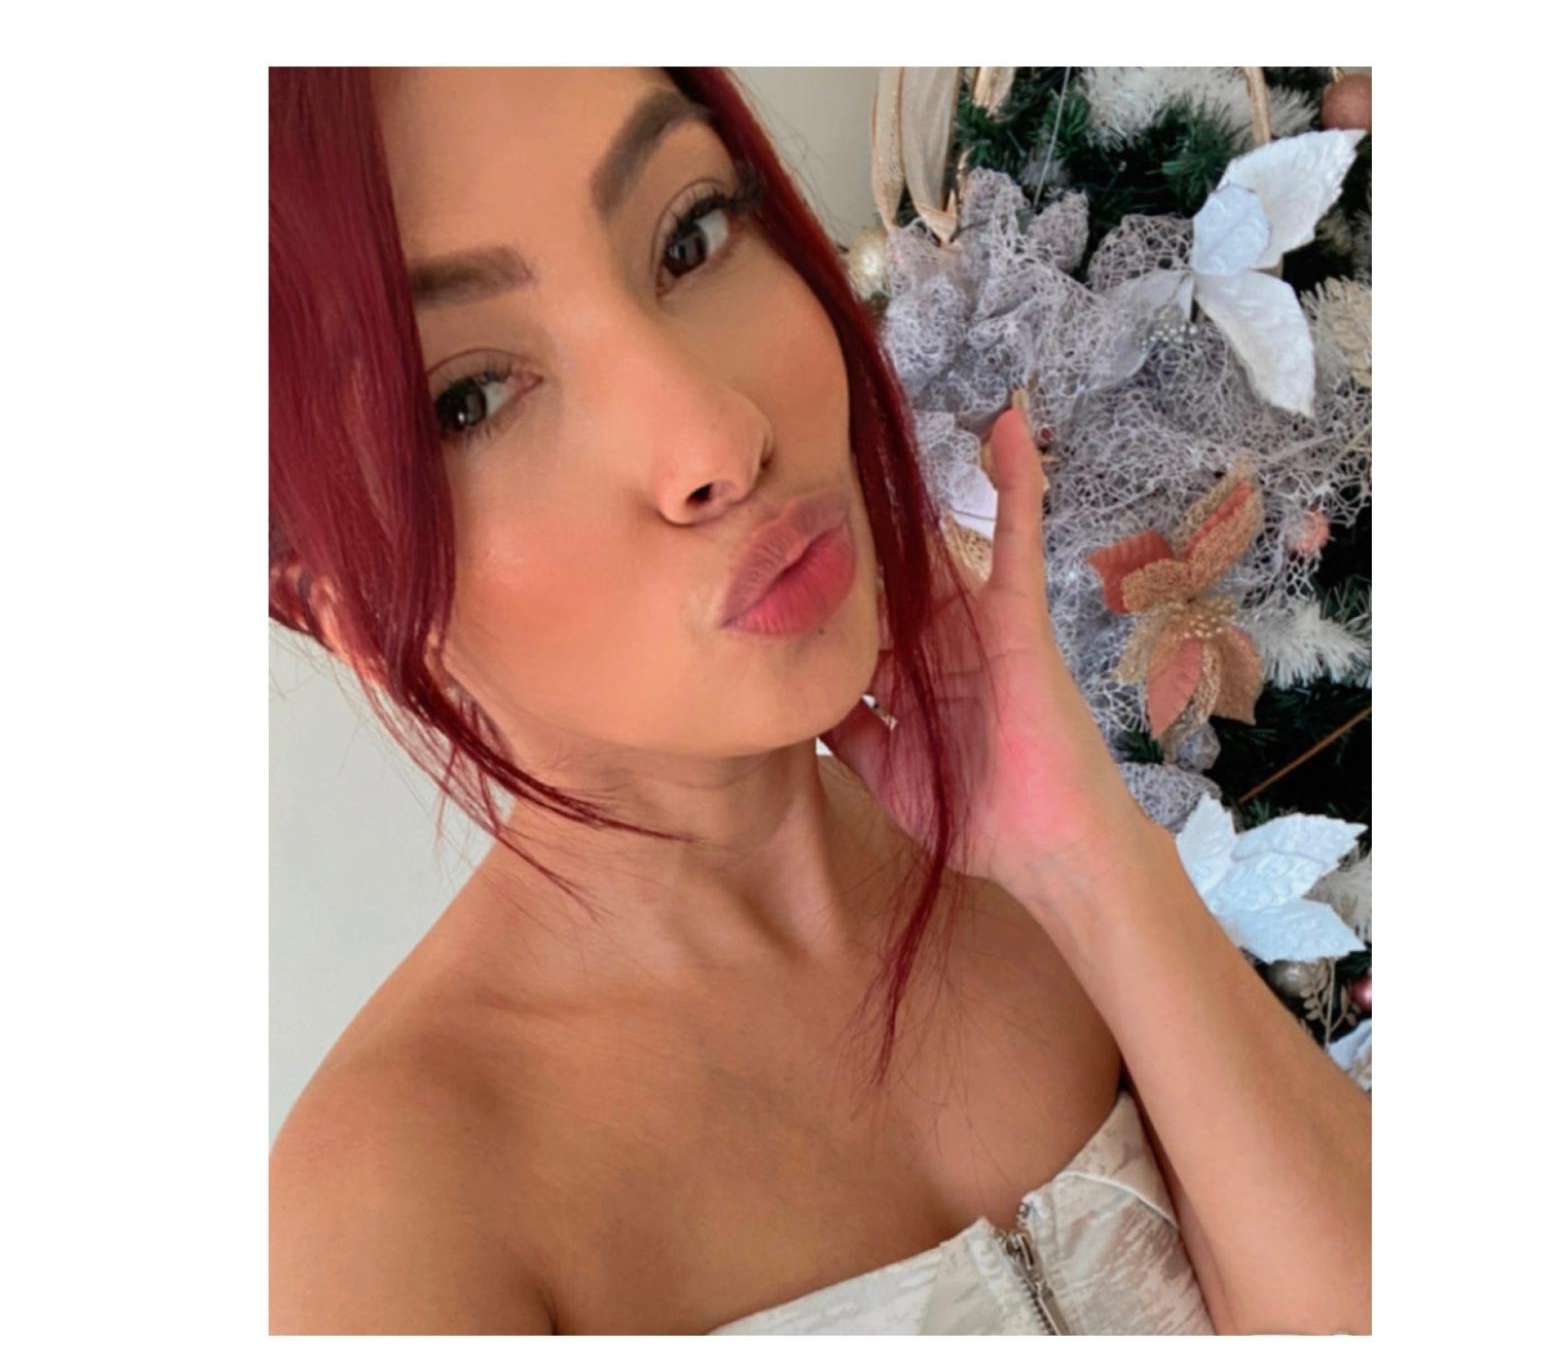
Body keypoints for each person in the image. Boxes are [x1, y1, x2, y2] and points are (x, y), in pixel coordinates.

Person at [268, 67, 1370, 1335]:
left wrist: (1090, 865)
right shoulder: (391, 1220)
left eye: (690, 236)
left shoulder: (1029, 865)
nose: (718, 438)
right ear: (331, 604)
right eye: (465, 399)